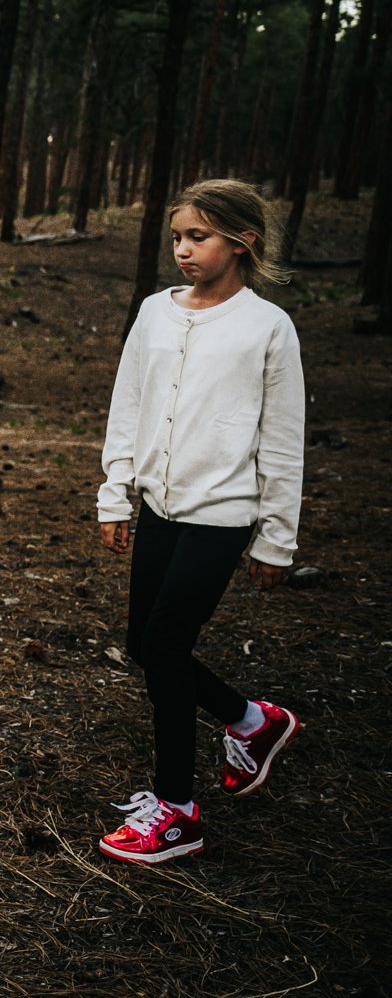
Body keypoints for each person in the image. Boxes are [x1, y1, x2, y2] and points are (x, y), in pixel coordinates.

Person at [94, 178, 306, 865]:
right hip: (157, 505)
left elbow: (282, 439)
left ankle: (177, 812)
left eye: (199, 237)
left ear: (242, 241)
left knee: (163, 642)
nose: (183, 250)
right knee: (143, 641)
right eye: (178, 237)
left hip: (221, 516)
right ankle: (252, 720)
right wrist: (114, 493)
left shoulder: (268, 328)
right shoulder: (156, 312)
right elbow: (128, 404)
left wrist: (276, 536)